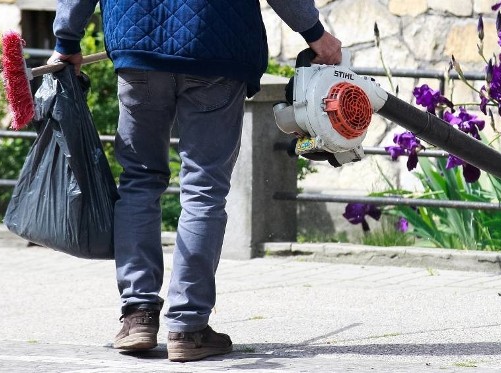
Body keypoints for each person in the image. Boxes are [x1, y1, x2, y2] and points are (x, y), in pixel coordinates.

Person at [48, 0, 342, 362]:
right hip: (217, 47)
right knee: (204, 188)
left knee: (139, 180)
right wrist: (315, 34)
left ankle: (138, 315)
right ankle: (187, 327)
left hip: (139, 45)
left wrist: (67, 40)